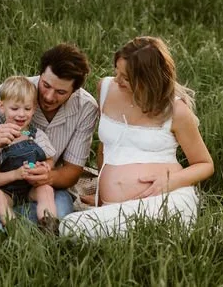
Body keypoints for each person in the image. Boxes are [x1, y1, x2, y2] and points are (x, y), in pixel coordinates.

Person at [59, 36, 214, 238]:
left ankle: (157, 230)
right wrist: (100, 195)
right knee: (71, 227)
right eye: (117, 71)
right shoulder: (105, 88)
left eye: (126, 77)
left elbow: (205, 164)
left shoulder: (176, 111)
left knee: (72, 228)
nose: (117, 80)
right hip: (114, 205)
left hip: (165, 198)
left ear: (148, 79)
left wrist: (171, 182)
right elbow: (106, 147)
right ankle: (134, 229)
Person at [0, 43, 98, 234]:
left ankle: (8, 224)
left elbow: (72, 171)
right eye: (45, 85)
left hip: (41, 184)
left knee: (62, 206)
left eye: (61, 92)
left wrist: (48, 175)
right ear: (40, 74)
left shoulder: (86, 107)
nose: (48, 96)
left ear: (74, 91)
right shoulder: (8, 95)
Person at [0, 76, 58, 232]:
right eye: (15, 108)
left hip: (31, 188)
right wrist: (16, 174)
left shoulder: (37, 135)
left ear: (34, 108)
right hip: (7, 191)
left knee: (47, 189)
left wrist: (45, 166)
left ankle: (50, 227)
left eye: (27, 108)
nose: (21, 114)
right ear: (1, 106)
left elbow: (50, 160)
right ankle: (13, 229)